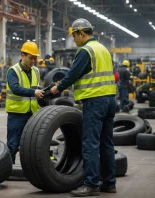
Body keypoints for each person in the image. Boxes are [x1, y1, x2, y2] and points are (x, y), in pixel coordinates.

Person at [50, 18, 117, 196]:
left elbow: (73, 74)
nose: (74, 40)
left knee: (90, 144)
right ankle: (109, 183)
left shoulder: (85, 51)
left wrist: (57, 88)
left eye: (74, 36)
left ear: (81, 33)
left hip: (95, 101)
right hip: (110, 100)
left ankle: (91, 184)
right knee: (106, 143)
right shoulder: (103, 49)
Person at [5, 41, 44, 163]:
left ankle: (29, 170)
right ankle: (9, 170)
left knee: (30, 146)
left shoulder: (36, 71)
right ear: (22, 55)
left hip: (32, 114)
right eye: (31, 58)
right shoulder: (13, 71)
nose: (33, 61)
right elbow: (15, 88)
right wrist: (34, 92)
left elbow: (36, 89)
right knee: (13, 144)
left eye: (35, 58)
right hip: (16, 114)